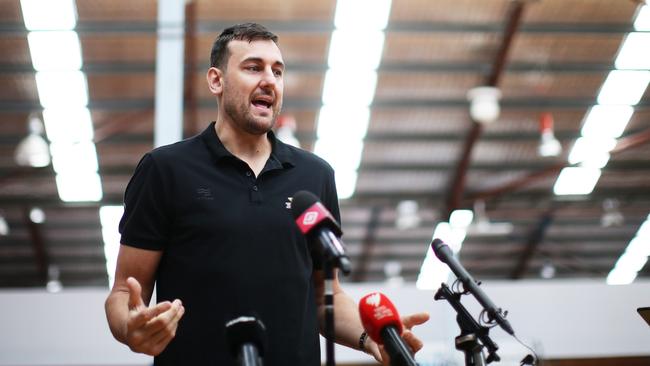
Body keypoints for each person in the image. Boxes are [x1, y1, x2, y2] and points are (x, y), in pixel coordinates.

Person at [104, 22, 429, 365]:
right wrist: (129, 327)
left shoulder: (315, 176)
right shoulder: (166, 169)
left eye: (278, 71)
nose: (269, 80)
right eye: (253, 67)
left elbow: (324, 297)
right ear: (216, 80)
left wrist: (371, 339)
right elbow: (124, 292)